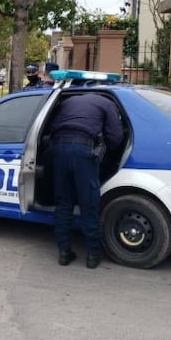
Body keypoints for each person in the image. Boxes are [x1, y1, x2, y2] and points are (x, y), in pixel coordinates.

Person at [49, 92, 124, 269]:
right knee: (89, 204)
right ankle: (92, 256)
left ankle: (64, 253)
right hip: (84, 152)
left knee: (63, 203)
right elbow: (116, 137)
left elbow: (52, 126)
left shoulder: (68, 100)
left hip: (59, 150)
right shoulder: (107, 103)